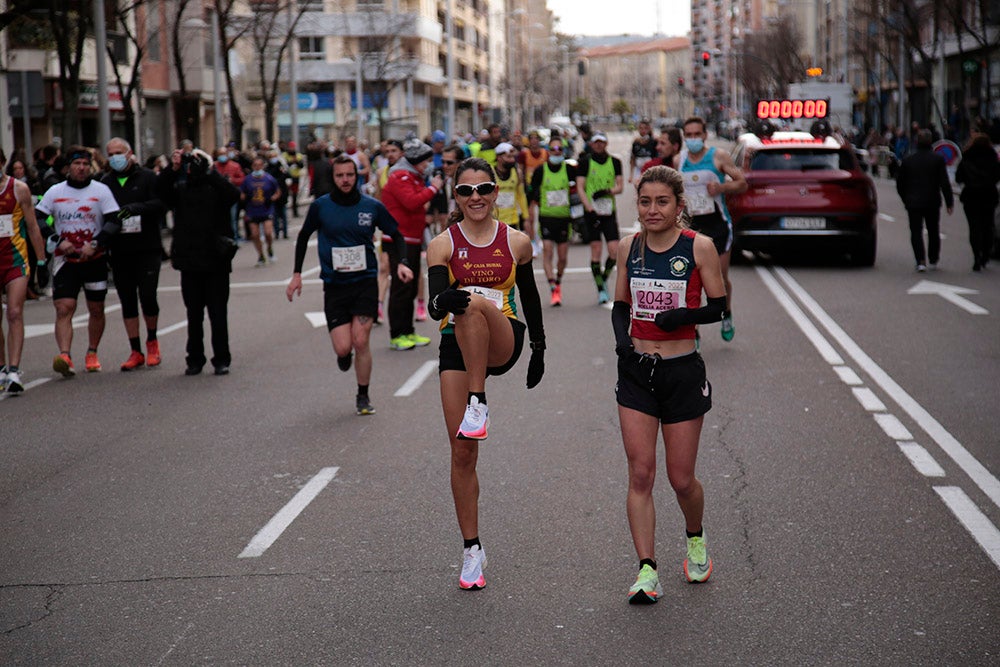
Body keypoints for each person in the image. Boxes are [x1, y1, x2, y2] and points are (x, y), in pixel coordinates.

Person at [425, 157, 545, 590]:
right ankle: (472, 550)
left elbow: (530, 298)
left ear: (496, 193)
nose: (475, 197)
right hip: (456, 341)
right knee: (462, 453)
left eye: (484, 189)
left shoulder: (516, 242)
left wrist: (539, 349)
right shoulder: (441, 244)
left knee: (475, 303)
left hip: (503, 336)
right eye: (465, 191)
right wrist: (446, 304)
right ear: (455, 196)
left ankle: (479, 401)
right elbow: (436, 302)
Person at [611, 165, 727, 604]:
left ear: (680, 206)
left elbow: (717, 307)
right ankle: (647, 570)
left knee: (681, 480)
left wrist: (682, 317)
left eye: (662, 202)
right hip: (637, 372)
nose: (652, 210)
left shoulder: (699, 247)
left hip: (682, 372)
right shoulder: (629, 247)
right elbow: (621, 306)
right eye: (645, 202)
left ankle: (694, 537)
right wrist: (623, 344)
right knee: (640, 473)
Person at [286, 155, 413, 414]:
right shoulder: (321, 206)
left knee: (361, 340)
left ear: (357, 176)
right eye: (340, 175)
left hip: (365, 282)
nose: (345, 180)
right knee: (344, 347)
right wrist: (297, 274)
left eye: (350, 175)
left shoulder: (371, 206)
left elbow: (396, 235)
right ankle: (344, 357)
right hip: (335, 285)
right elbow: (303, 237)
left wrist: (402, 262)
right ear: (333, 178)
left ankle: (363, 396)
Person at [36, 146, 121, 376]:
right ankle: (65, 355)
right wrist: (57, 239)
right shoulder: (55, 191)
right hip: (66, 260)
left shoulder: (100, 191)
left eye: (85, 164)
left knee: (96, 308)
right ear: (68, 167)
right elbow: (38, 218)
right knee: (64, 307)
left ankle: (92, 352)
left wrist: (94, 244)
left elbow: (114, 221)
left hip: (94, 259)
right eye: (77, 164)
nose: (81, 168)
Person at [158, 148, 240, 375]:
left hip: (216, 261)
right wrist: (173, 169)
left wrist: (210, 169)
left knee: (217, 313)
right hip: (190, 261)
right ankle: (194, 359)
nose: (193, 168)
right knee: (193, 314)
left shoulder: (217, 189)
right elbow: (161, 192)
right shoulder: (181, 189)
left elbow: (233, 195)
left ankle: (221, 358)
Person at [100, 137, 168, 371]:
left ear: (129, 154)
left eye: (119, 152)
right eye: (110, 154)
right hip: (119, 250)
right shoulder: (105, 182)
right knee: (127, 300)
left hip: (147, 247)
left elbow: (161, 205)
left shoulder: (148, 177)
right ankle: (135, 350)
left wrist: (137, 208)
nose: (115, 158)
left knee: (147, 297)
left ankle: (152, 342)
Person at [679, 116, 746, 341]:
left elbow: (742, 182)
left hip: (718, 225)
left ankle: (726, 313)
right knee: (692, 282)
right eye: (688, 135)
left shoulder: (718, 156)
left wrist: (721, 187)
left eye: (697, 134)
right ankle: (694, 330)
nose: (693, 139)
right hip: (693, 227)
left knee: (720, 277)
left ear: (705, 135)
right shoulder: (680, 160)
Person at [380, 140, 444, 350]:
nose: (427, 165)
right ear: (415, 160)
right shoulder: (400, 176)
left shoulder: (414, 177)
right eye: (424, 161)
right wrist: (433, 188)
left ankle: (408, 331)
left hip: (413, 238)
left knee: (410, 287)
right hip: (399, 239)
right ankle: (397, 334)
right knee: (401, 287)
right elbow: (411, 202)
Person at [0, 149, 48, 393]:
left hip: (15, 260)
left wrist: (41, 261)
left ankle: (14, 370)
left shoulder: (19, 189)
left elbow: (32, 225)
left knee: (15, 312)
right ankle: (0, 368)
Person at [575, 132, 624, 304]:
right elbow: (580, 187)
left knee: (614, 250)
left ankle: (602, 277)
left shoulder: (615, 162)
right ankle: (601, 289)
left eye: (601, 142)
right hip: (592, 213)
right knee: (596, 250)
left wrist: (608, 191)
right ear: (591, 144)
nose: (598, 145)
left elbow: (620, 186)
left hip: (608, 212)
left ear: (606, 143)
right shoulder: (584, 162)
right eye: (595, 142)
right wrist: (589, 208)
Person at [896, 129, 954, 272]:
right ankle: (933, 258)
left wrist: (905, 198)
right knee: (934, 230)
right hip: (932, 201)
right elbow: (944, 182)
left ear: (916, 141)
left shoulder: (909, 160)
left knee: (916, 231)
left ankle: (920, 260)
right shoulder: (937, 159)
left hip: (913, 202)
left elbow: (900, 183)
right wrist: (949, 202)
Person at [529, 136, 577, 306]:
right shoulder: (541, 171)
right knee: (548, 251)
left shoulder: (569, 170)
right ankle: (552, 287)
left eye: (559, 149)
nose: (556, 152)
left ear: (563, 152)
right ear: (548, 151)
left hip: (564, 218)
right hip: (547, 218)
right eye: (553, 149)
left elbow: (577, 191)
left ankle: (558, 281)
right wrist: (531, 214)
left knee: (562, 257)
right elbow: (532, 193)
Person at [955, 133, 1000, 271]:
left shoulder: (967, 157)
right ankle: (985, 253)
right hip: (988, 196)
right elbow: (998, 176)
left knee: (974, 227)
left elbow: (959, 177)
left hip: (971, 196)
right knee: (988, 225)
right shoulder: (993, 158)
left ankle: (977, 256)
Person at [240, 155, 281, 266]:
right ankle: (261, 255)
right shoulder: (247, 180)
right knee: (255, 234)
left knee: (268, 233)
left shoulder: (269, 178)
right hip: (252, 210)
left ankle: (270, 249)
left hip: (266, 209)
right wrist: (243, 199)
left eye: (259, 165)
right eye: (255, 165)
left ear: (263, 166)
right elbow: (242, 193)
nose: (257, 167)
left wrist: (272, 198)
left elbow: (277, 192)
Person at [493, 142, 529, 231]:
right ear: (499, 157)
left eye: (513, 157)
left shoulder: (517, 173)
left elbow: (521, 195)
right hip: (494, 221)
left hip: (512, 220)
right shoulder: (490, 173)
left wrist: (526, 217)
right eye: (508, 157)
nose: (512, 160)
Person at [281, 141, 306, 217]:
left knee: (295, 195)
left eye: (293, 147)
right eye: (291, 147)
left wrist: (297, 161)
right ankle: (283, 213)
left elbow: (301, 165)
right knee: (286, 194)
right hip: (287, 178)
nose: (292, 148)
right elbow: (283, 165)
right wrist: (291, 162)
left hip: (296, 177)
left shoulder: (298, 155)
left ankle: (295, 212)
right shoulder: (284, 155)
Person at [630, 118, 658, 182]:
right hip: (638, 171)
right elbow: (632, 159)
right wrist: (631, 175)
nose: (643, 130)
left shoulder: (654, 141)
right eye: (641, 128)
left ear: (649, 129)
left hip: (651, 171)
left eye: (645, 128)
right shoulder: (636, 142)